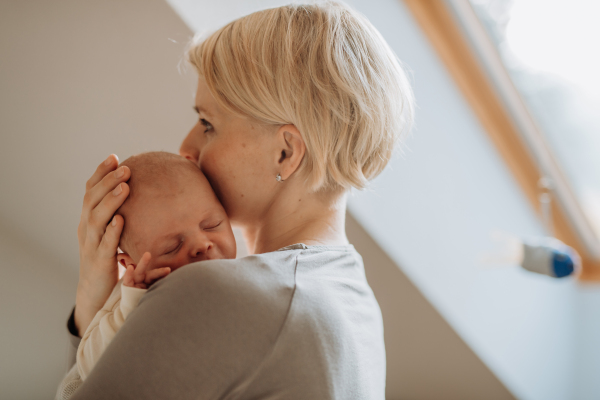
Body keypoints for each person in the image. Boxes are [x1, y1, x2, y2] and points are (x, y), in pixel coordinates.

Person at [59, 2, 414, 399]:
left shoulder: (212, 293)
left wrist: (90, 308)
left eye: (208, 124)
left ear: (286, 152)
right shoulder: (356, 306)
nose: (186, 146)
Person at [56, 152, 237, 398]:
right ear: (130, 263)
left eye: (213, 224)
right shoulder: (132, 294)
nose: (201, 243)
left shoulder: (242, 280)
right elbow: (88, 367)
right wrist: (131, 306)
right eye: (172, 248)